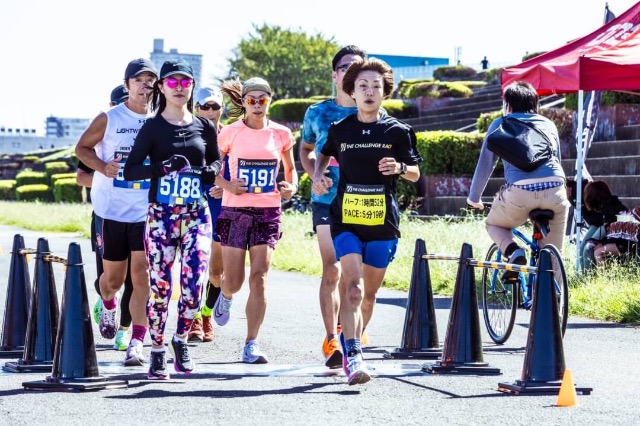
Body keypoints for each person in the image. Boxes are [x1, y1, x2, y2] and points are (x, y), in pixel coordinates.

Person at [312, 58, 422, 385]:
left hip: (382, 223)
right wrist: (318, 176)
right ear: (353, 92)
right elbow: (323, 153)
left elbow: (416, 173)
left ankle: (353, 340)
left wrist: (400, 168)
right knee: (354, 289)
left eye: (376, 86)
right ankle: (354, 355)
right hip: (345, 220)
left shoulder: (398, 131)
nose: (369, 92)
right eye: (363, 86)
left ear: (385, 92)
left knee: (368, 296)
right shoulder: (340, 129)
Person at [124, 59, 222, 379]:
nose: (179, 88)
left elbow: (215, 164)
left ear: (192, 86)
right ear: (162, 88)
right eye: (172, 82)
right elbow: (130, 170)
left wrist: (204, 172)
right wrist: (162, 168)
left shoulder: (204, 127)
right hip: (162, 216)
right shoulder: (152, 127)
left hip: (196, 214)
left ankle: (180, 340)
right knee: (162, 288)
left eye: (185, 82)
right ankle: (156, 349)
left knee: (194, 286)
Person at [75, 58, 158, 367]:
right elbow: (81, 149)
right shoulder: (109, 118)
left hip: (145, 212)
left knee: (142, 276)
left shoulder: (160, 121)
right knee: (112, 281)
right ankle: (108, 303)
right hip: (111, 211)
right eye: (138, 80)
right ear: (127, 85)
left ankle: (136, 342)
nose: (145, 85)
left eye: (150, 80)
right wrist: (102, 166)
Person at [212, 77, 298, 364]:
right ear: (244, 102)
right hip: (235, 211)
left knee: (259, 277)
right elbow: (211, 169)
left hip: (268, 211)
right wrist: (227, 185)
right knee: (234, 282)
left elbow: (290, 169)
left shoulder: (281, 134)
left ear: (270, 101)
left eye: (263, 100)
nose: (258, 105)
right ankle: (225, 295)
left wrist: (290, 187)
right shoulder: (230, 133)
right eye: (252, 100)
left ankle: (251, 343)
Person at [299, 45, 367, 368]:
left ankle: (347, 329)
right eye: (345, 67)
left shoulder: (371, 112)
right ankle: (331, 340)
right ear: (334, 75)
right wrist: (315, 174)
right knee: (332, 269)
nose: (351, 72)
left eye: (358, 67)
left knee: (355, 276)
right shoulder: (317, 113)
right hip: (326, 199)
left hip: (362, 201)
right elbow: (306, 150)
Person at [467, 80, 570, 278]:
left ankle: (514, 252)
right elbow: (556, 160)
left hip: (520, 193)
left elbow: (485, 164)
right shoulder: (548, 125)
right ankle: (556, 294)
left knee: (494, 224)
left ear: (508, 105)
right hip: (556, 189)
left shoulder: (500, 124)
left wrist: (474, 199)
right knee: (553, 258)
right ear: (535, 103)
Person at [77, 84, 134, 351]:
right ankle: (107, 299)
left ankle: (125, 330)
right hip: (105, 214)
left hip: (137, 213)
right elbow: (81, 176)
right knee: (109, 277)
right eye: (120, 102)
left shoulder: (144, 131)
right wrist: (105, 175)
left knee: (135, 278)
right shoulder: (102, 136)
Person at [188, 86, 229, 343]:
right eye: (205, 106)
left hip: (220, 206)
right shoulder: (186, 133)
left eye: (215, 106)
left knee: (216, 272)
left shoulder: (232, 135)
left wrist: (225, 186)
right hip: (193, 204)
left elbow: (239, 170)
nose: (210, 111)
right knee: (194, 267)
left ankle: (206, 314)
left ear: (221, 109)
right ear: (196, 108)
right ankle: (192, 318)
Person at [583, 180, 634, 266]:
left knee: (598, 252)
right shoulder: (611, 205)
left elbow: (617, 235)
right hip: (626, 241)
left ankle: (603, 274)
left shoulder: (610, 209)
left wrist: (602, 244)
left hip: (627, 244)